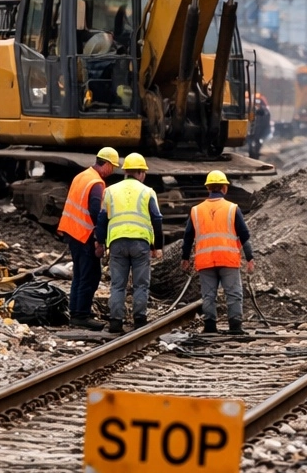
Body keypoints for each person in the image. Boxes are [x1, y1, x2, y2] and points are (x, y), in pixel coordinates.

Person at [94, 152, 164, 334]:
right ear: (140, 173)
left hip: (117, 242)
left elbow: (102, 219)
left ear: (126, 172)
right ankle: (139, 320)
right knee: (141, 284)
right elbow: (156, 219)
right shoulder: (147, 192)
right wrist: (158, 247)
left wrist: (100, 242)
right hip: (140, 243)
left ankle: (115, 322)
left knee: (118, 285)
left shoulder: (110, 191)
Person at [181, 170, 254, 335]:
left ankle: (210, 327)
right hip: (228, 259)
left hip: (205, 260)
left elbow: (188, 237)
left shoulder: (196, 210)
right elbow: (244, 236)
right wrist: (250, 258)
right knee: (233, 293)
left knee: (208, 295)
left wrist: (185, 258)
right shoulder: (232, 209)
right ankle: (235, 327)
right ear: (224, 188)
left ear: (208, 188)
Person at [57, 148, 119, 330]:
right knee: (90, 276)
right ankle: (81, 316)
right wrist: (100, 238)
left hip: (72, 232)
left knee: (79, 274)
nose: (112, 171)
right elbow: (96, 212)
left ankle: (76, 312)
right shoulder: (97, 183)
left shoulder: (82, 176)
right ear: (106, 164)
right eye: (112, 167)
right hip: (85, 235)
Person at [248, 94, 271, 159]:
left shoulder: (264, 111)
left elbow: (266, 122)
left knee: (257, 141)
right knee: (252, 141)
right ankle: (252, 153)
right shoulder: (252, 110)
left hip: (259, 129)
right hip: (254, 129)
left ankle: (255, 153)